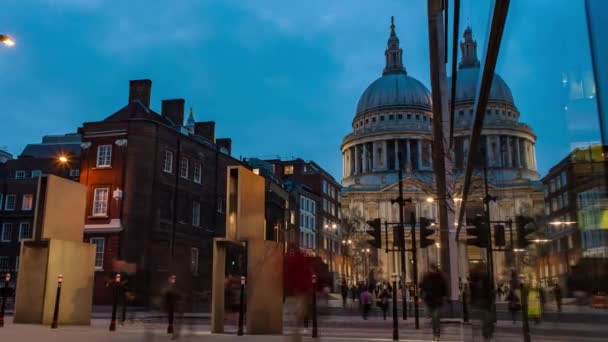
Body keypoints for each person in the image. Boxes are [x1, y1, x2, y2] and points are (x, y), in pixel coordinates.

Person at [421, 264, 447, 341]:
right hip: (429, 301)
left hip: (437, 301)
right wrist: (422, 296)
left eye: (433, 269)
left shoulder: (440, 277)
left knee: (436, 317)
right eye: (431, 269)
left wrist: (444, 297)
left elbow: (444, 288)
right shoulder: (426, 277)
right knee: (433, 318)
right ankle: (435, 332)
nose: (432, 271)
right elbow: (423, 287)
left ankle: (437, 334)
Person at [469, 263, 495, 342]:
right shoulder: (487, 278)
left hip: (476, 304)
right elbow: (490, 291)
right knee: (487, 321)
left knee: (477, 324)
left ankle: (484, 337)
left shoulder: (473, 279)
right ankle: (486, 337)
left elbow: (472, 292)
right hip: (485, 303)